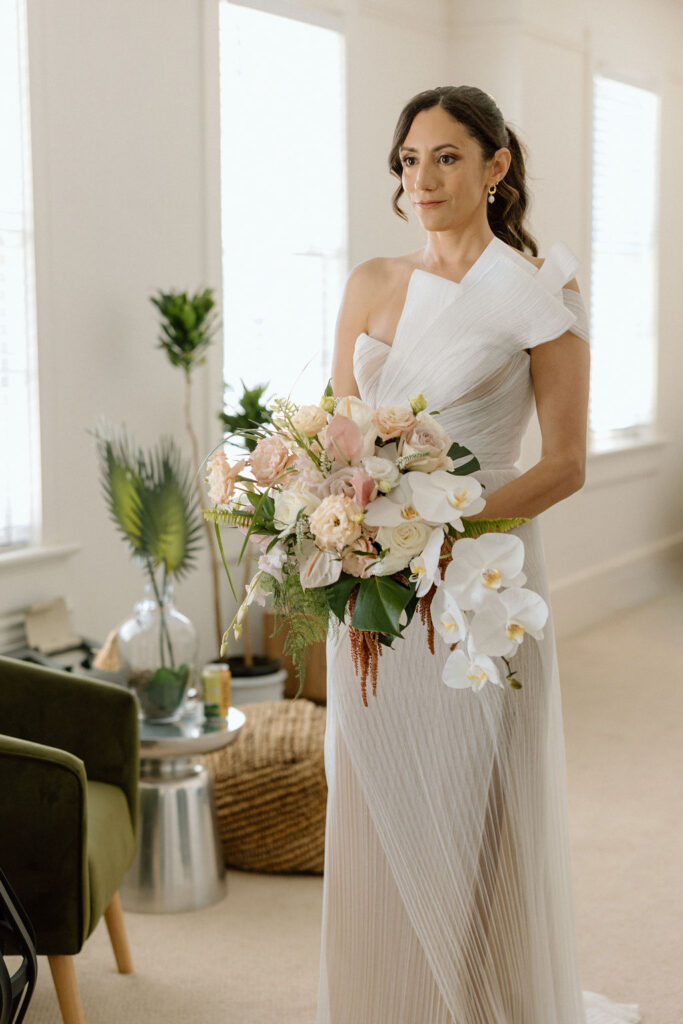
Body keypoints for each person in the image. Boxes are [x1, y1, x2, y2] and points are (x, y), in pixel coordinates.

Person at [317, 86, 641, 1024]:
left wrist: (441, 534)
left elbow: (567, 464)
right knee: (374, 792)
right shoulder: (371, 282)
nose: (422, 178)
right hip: (371, 576)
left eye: (447, 157)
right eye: (409, 160)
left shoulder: (544, 291)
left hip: (478, 579)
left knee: (476, 799)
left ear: (495, 166)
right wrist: (350, 530)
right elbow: (343, 436)